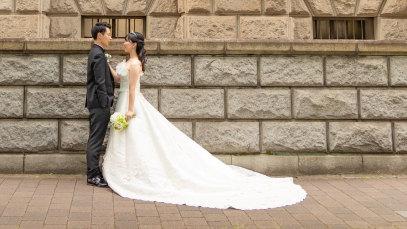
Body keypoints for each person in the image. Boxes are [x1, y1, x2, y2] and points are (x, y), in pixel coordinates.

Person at [102, 32, 307, 209]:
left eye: (127, 40)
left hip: (132, 104)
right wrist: (108, 64)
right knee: (130, 138)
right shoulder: (126, 62)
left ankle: (136, 174)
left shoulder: (136, 63)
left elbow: (131, 89)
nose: (124, 43)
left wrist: (129, 110)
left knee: (140, 136)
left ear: (134, 44)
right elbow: (120, 80)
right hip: (123, 103)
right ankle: (127, 170)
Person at [84, 21, 119, 188]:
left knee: (95, 138)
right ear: (100, 35)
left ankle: (94, 173)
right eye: (109, 34)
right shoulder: (98, 54)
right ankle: (93, 175)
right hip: (99, 104)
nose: (111, 38)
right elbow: (100, 82)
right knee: (96, 140)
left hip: (97, 103)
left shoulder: (97, 52)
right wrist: (105, 103)